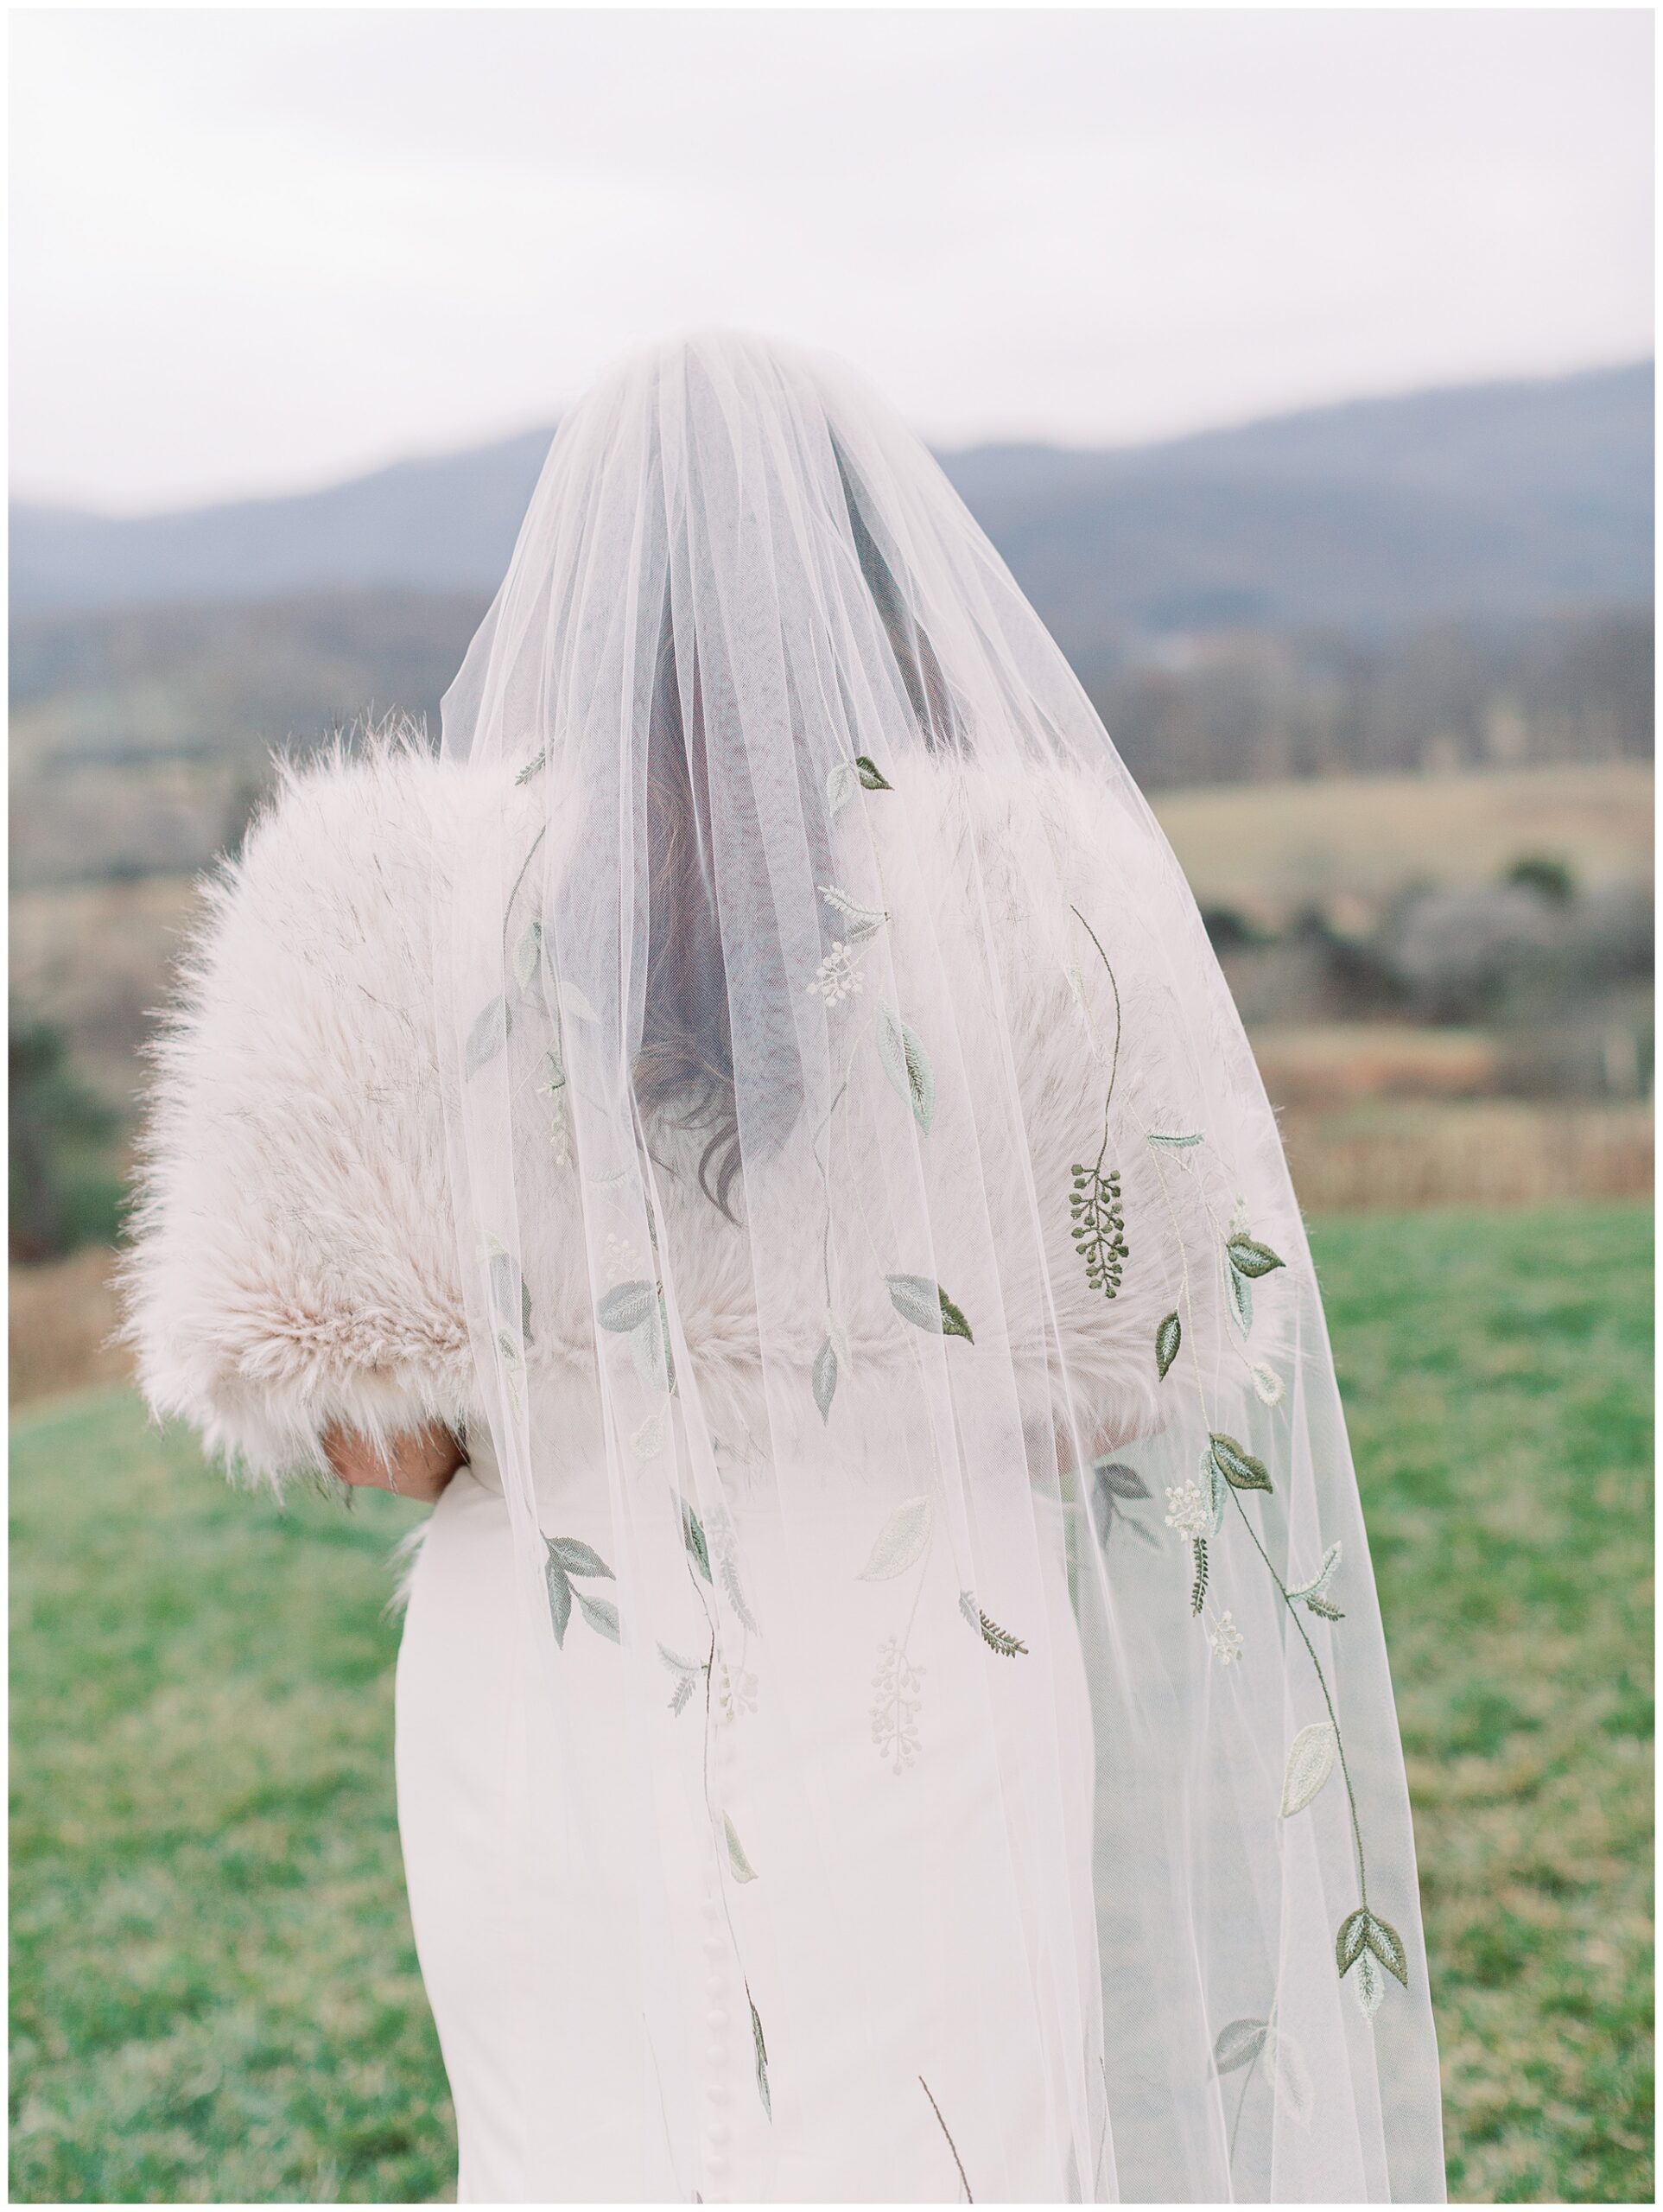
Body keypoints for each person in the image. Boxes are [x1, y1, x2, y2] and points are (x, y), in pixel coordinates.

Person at [122, 330, 1444, 2202]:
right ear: (877, 587)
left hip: (558, 1701)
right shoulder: (1040, 893)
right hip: (942, 1674)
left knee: (591, 2144)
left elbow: (386, 1448)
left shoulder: (369, 902)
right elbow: (1123, 1384)